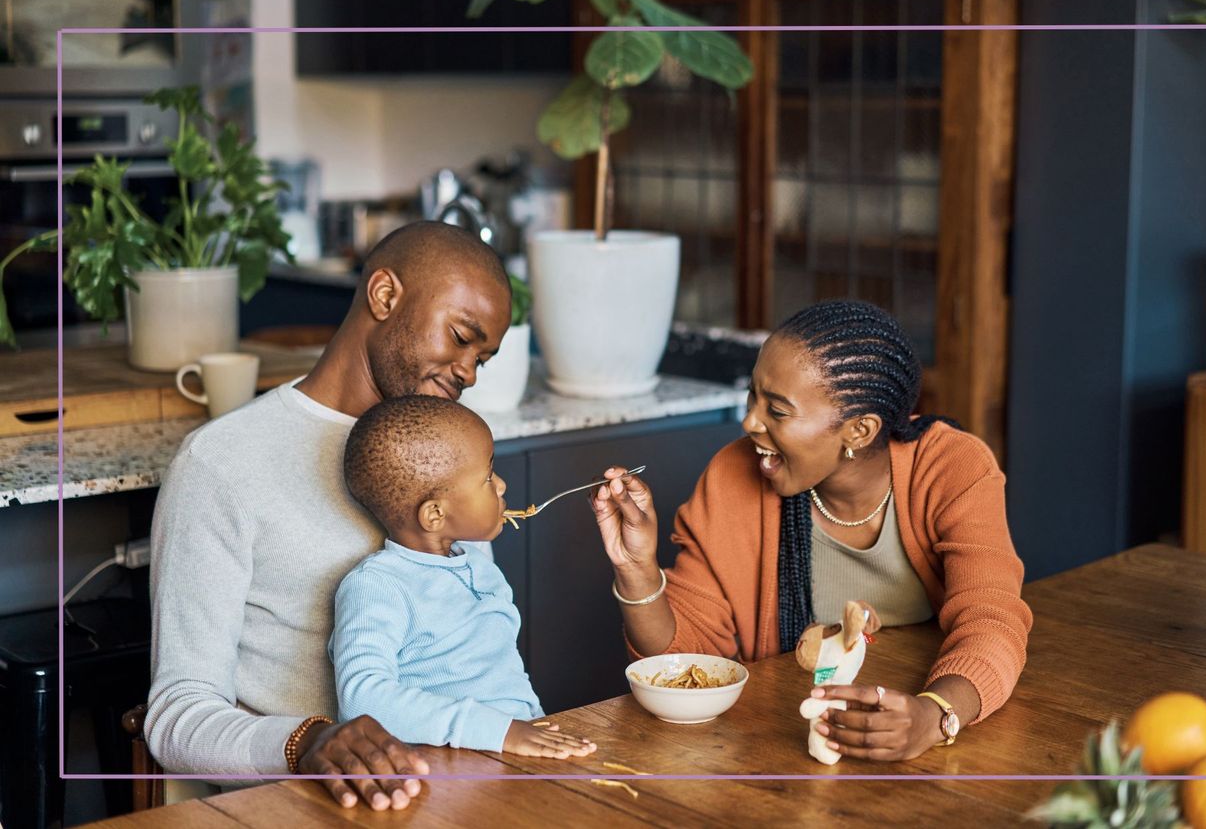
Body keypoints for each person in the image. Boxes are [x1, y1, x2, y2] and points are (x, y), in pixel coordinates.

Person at [146, 222, 512, 811]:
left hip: (457, 798)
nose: (468, 372)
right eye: (460, 337)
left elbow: (478, 659)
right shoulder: (222, 464)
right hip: (292, 808)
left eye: (483, 359)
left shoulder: (458, 458)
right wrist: (307, 742)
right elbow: (175, 715)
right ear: (385, 295)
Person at [591, 300, 1033, 761]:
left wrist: (935, 715)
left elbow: (992, 619)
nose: (749, 422)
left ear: (859, 431)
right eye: (753, 397)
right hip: (796, 731)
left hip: (944, 733)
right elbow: (690, 656)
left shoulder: (952, 467)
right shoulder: (732, 476)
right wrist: (636, 568)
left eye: (777, 411)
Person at [331, 395, 596, 759]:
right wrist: (498, 731)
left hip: (520, 752)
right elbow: (361, 698)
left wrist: (527, 726)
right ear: (435, 515)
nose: (501, 485)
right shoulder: (377, 585)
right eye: (488, 477)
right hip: (450, 767)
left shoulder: (478, 566)